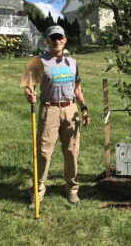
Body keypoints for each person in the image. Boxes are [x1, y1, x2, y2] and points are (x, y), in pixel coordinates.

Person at [24, 25, 90, 207]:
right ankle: (37, 191)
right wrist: (29, 94)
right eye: (53, 38)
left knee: (72, 151)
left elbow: (77, 88)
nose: (57, 41)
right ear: (48, 41)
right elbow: (29, 87)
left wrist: (84, 108)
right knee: (44, 152)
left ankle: (72, 189)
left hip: (70, 110)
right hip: (49, 110)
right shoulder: (37, 61)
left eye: (60, 37)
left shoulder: (73, 63)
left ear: (65, 40)